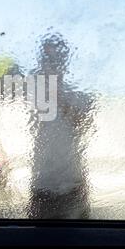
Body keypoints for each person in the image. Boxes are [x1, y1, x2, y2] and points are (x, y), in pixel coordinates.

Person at [28, 33, 95, 219]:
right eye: (47, 58)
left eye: (56, 58)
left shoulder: (78, 94)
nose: (51, 62)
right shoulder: (31, 90)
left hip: (72, 182)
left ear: (64, 61)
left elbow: (83, 125)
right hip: (42, 183)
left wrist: (58, 95)